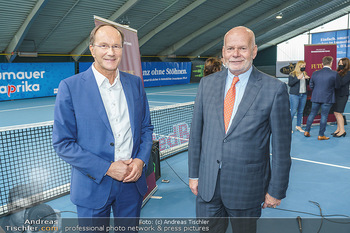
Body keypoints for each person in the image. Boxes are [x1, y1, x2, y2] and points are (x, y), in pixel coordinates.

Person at [188, 26, 292, 233]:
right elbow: (196, 135)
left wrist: (276, 190)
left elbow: (281, 148)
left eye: (242, 48)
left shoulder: (274, 89)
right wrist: (194, 175)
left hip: (247, 189)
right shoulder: (206, 84)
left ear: (253, 51)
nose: (235, 54)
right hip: (207, 187)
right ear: (223, 52)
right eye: (230, 48)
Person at [52, 23, 153, 230]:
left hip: (131, 184)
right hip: (92, 186)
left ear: (123, 50)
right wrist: (107, 168)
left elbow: (146, 129)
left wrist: (141, 160)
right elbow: (63, 143)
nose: (111, 52)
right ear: (92, 49)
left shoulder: (135, 84)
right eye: (104, 45)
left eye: (116, 46)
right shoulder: (70, 87)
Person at [304, 56, 341, 140]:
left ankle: (307, 131)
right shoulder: (334, 73)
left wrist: (317, 91)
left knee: (312, 114)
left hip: (316, 97)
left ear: (322, 63)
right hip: (327, 98)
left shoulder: (315, 73)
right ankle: (321, 135)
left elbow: (311, 85)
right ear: (331, 63)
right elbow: (337, 86)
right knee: (324, 116)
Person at [288, 61, 310, 133]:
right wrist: (298, 78)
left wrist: (308, 79)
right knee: (293, 111)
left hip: (303, 94)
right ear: (299, 66)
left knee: (300, 111)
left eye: (304, 65)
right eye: (302, 65)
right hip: (295, 95)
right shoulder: (292, 74)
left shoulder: (304, 73)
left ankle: (298, 126)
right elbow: (290, 84)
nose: (304, 67)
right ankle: (288, 127)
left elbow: (307, 84)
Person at [332, 57, 350, 137]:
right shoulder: (339, 72)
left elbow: (342, 83)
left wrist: (336, 75)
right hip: (336, 94)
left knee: (339, 113)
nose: (339, 64)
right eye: (339, 63)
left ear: (345, 64)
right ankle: (338, 129)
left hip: (342, 95)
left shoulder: (348, 73)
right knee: (336, 112)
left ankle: (342, 131)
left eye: (341, 63)